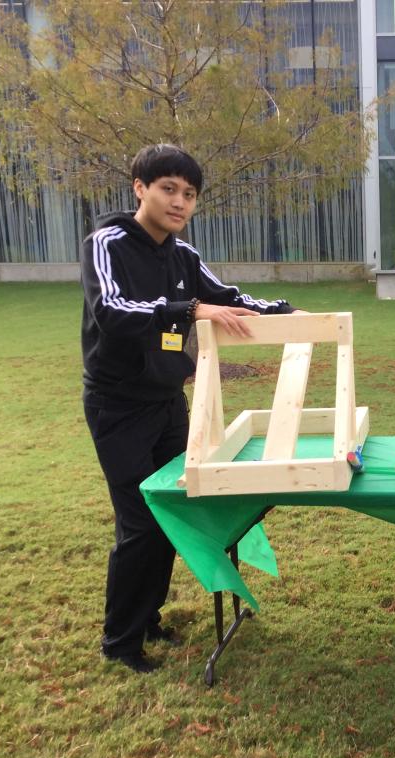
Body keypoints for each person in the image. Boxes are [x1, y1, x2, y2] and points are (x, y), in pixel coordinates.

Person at [81, 144, 295, 674]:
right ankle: (121, 641)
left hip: (168, 403)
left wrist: (287, 312)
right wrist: (190, 309)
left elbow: (229, 296)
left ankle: (148, 616)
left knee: (175, 508)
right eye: (168, 189)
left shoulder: (183, 256)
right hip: (118, 407)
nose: (179, 202)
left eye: (189, 194)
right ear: (140, 188)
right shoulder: (106, 242)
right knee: (140, 521)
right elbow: (112, 310)